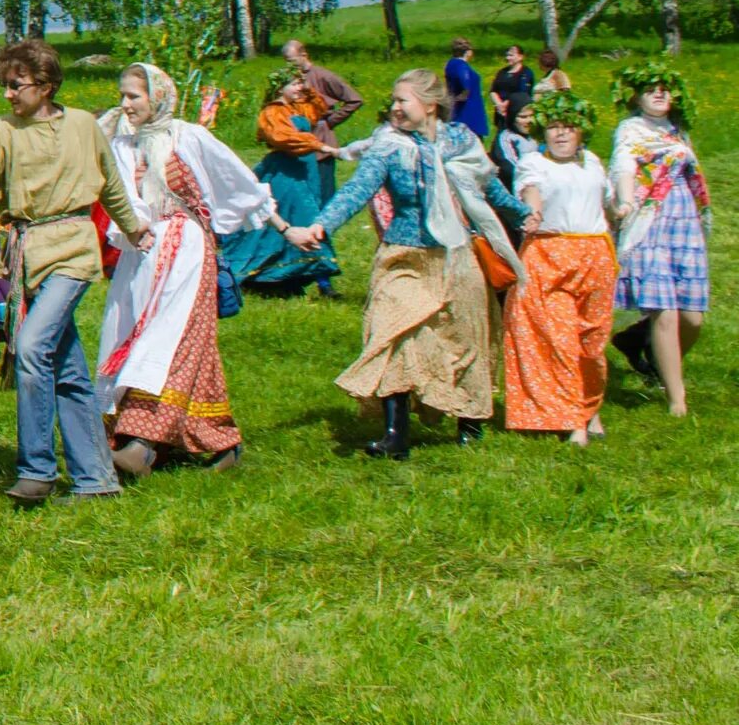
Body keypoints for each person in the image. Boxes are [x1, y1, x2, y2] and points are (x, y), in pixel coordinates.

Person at [284, 69, 525, 458]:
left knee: (463, 340)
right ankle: (395, 436)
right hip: (403, 255)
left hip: (455, 256)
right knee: (392, 331)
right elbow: (358, 188)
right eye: (394, 100)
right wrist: (321, 225)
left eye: (402, 100)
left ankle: (470, 422)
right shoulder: (388, 146)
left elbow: (489, 185)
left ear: (429, 105)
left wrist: (522, 213)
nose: (394, 107)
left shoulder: (461, 141)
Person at [0, 38, 148, 505]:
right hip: (27, 254)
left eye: (16, 85)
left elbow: (111, 185)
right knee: (67, 367)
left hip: (73, 251)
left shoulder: (83, 126)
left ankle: (37, 469)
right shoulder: (2, 131)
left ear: (46, 86)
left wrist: (133, 228)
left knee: (31, 346)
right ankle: (96, 478)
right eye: (4, 85)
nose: (7, 94)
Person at [97, 63, 279, 476]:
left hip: (186, 252)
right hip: (140, 254)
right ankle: (218, 440)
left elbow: (238, 182)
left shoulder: (188, 137)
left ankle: (142, 444)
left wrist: (283, 226)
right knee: (137, 335)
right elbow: (118, 196)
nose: (125, 104)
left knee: (167, 341)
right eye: (122, 95)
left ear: (158, 97)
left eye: (134, 96)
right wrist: (134, 227)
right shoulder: (122, 145)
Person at [504, 90, 628, 444]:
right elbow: (530, 191)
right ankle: (572, 420)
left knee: (591, 341)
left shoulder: (592, 162)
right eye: (554, 127)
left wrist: (622, 209)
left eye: (568, 127)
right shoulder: (534, 163)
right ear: (543, 132)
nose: (560, 134)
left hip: (595, 256)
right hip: (549, 254)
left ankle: (590, 409)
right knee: (559, 339)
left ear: (581, 132)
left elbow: (607, 203)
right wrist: (534, 212)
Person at [606, 61, 708, 417]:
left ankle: (643, 345)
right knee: (665, 312)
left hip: (684, 223)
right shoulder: (630, 129)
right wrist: (624, 199)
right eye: (651, 90)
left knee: (693, 319)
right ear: (636, 98)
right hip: (649, 222)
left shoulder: (678, 130)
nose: (660, 94)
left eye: (664, 89)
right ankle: (676, 399)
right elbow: (623, 165)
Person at [222, 68, 345, 298]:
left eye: (301, 83)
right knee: (307, 218)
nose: (300, 88)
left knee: (302, 217)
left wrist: (305, 87)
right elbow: (284, 137)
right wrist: (321, 146)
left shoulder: (297, 108)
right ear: (280, 88)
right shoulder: (272, 112)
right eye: (294, 84)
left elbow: (319, 108)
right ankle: (324, 284)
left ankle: (285, 278)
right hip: (285, 172)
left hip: (303, 170)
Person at [278, 38, 362, 130]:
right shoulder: (289, 77)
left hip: (319, 131)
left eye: (292, 61)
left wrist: (330, 122)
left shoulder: (324, 76)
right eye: (286, 61)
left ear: (304, 55)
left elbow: (355, 100)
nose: (289, 65)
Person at [442, 39, 491, 141]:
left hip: (455, 109)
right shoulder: (461, 65)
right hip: (469, 110)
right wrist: (465, 91)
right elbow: (464, 79)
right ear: (468, 52)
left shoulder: (450, 64)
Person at [490, 45, 537, 135]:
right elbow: (493, 90)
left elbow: (522, 92)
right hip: (501, 112)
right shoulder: (502, 72)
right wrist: (499, 104)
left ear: (520, 57)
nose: (508, 58)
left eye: (511, 55)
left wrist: (506, 104)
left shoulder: (526, 73)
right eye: (507, 55)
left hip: (516, 112)